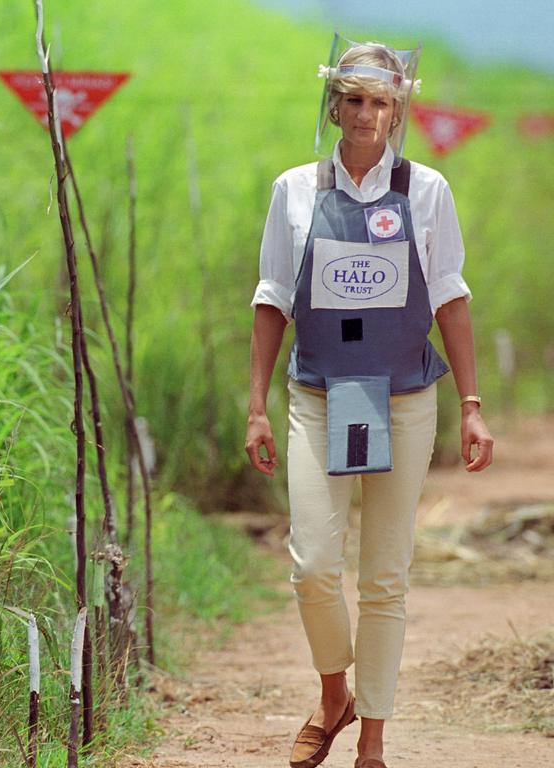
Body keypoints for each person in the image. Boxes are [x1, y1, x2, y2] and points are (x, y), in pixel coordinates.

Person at [244, 38, 494, 768]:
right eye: (351, 99)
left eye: (379, 101)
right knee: (315, 562)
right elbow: (270, 299)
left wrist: (472, 405)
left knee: (386, 573)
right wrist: (257, 406)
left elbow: (451, 299)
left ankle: (374, 741)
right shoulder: (293, 189)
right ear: (333, 106)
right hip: (319, 396)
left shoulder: (427, 192)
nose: (364, 114)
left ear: (397, 109)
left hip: (405, 397)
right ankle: (334, 696)